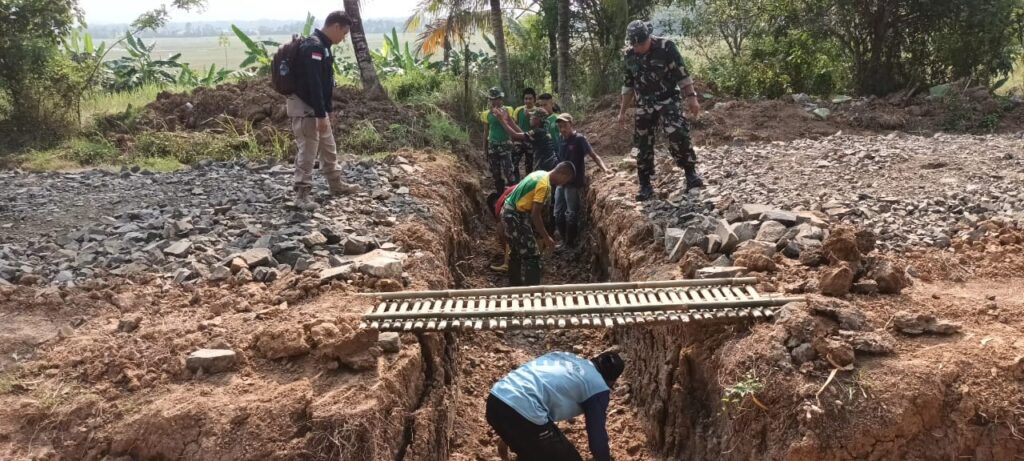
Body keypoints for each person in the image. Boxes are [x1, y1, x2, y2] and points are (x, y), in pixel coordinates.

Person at [617, 20, 704, 202]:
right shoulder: (629, 56)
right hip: (644, 103)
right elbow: (628, 86)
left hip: (668, 99)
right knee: (642, 143)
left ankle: (690, 173)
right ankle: (645, 183)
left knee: (677, 133)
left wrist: (692, 98)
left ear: (649, 37)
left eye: (641, 43)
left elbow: (682, 74)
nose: (638, 47)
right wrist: (622, 111)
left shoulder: (666, 47)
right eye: (635, 44)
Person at [487, 350, 625, 461]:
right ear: (611, 382)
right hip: (524, 413)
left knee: (537, 452)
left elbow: (533, 387)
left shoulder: (563, 356)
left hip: (496, 400)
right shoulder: (599, 388)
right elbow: (597, 436)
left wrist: (510, 434)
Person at [286, 11, 353, 211]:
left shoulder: (323, 46)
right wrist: (320, 113)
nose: (344, 38)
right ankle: (302, 195)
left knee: (328, 146)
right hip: (307, 108)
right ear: (336, 27)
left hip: (317, 107)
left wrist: (327, 110)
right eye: (345, 33)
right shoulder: (314, 46)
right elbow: (314, 84)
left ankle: (336, 184)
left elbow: (325, 82)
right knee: (308, 150)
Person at [501, 162, 575, 286]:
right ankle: (532, 292)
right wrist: (547, 238)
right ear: (563, 174)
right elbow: (535, 215)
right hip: (515, 215)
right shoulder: (544, 185)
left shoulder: (540, 174)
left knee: (516, 251)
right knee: (533, 255)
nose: (564, 183)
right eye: (566, 180)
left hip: (510, 211)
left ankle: (515, 286)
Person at [553, 113, 609, 249]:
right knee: (557, 212)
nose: (563, 129)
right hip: (562, 181)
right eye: (560, 127)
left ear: (572, 124)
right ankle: (563, 240)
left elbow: (593, 154)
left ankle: (569, 243)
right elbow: (560, 161)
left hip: (573, 183)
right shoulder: (561, 139)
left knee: (571, 212)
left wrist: (605, 169)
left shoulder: (579, 139)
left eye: (565, 126)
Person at [490, 107, 560, 173]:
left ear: (538, 120)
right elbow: (520, 133)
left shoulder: (538, 132)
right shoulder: (542, 130)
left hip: (545, 165)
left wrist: (501, 120)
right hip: (549, 163)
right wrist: (509, 119)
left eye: (532, 117)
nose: (530, 118)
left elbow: (514, 135)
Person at [481, 87, 517, 194]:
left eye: (497, 98)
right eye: (492, 99)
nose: (495, 101)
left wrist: (515, 142)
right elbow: (486, 132)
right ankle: (500, 194)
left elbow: (513, 126)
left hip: (506, 144)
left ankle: (513, 194)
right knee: (496, 173)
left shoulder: (509, 110)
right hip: (493, 145)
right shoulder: (486, 114)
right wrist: (484, 149)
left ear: (501, 98)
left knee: (509, 171)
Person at [486, 184, 517, 272]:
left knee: (505, 233)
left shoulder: (501, 209)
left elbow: (506, 234)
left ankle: (510, 261)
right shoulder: (505, 198)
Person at [511, 88, 538, 175]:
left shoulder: (538, 111)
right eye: (526, 98)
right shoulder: (518, 110)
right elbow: (514, 124)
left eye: (530, 98)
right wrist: (513, 140)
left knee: (529, 164)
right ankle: (516, 182)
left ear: (534, 99)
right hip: (519, 140)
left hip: (532, 140)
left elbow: (539, 126)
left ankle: (527, 183)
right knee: (514, 162)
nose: (528, 101)